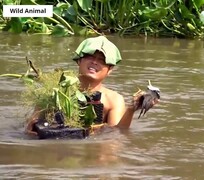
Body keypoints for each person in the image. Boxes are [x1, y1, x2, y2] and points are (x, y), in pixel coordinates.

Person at [26, 36, 157, 135]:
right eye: (90, 57)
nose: (94, 62)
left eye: (102, 60)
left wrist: (131, 109)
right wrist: (32, 129)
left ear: (110, 69)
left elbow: (117, 134)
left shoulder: (113, 100)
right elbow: (31, 129)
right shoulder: (55, 92)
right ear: (79, 60)